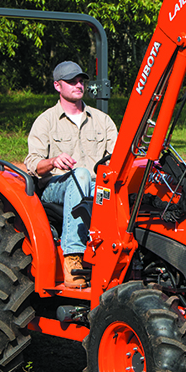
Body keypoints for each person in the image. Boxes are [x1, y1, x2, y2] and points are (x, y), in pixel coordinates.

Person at [25, 61, 118, 288]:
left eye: (81, 81)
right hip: (56, 185)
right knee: (83, 174)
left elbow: (117, 157)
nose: (78, 85)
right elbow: (32, 163)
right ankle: (72, 257)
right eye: (72, 81)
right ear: (58, 86)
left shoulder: (101, 120)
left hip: (95, 186)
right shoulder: (46, 121)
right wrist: (53, 161)